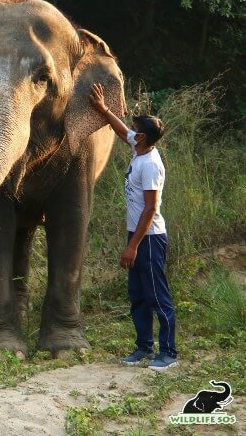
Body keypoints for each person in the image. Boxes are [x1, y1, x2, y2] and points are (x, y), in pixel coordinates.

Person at [89, 84, 178, 371]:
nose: (130, 129)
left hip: (148, 238)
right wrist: (103, 110)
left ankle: (169, 353)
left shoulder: (150, 164)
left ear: (142, 137)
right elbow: (120, 130)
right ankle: (143, 347)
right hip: (137, 235)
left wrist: (132, 246)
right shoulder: (140, 146)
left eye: (134, 127)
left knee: (156, 295)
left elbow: (151, 209)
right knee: (138, 295)